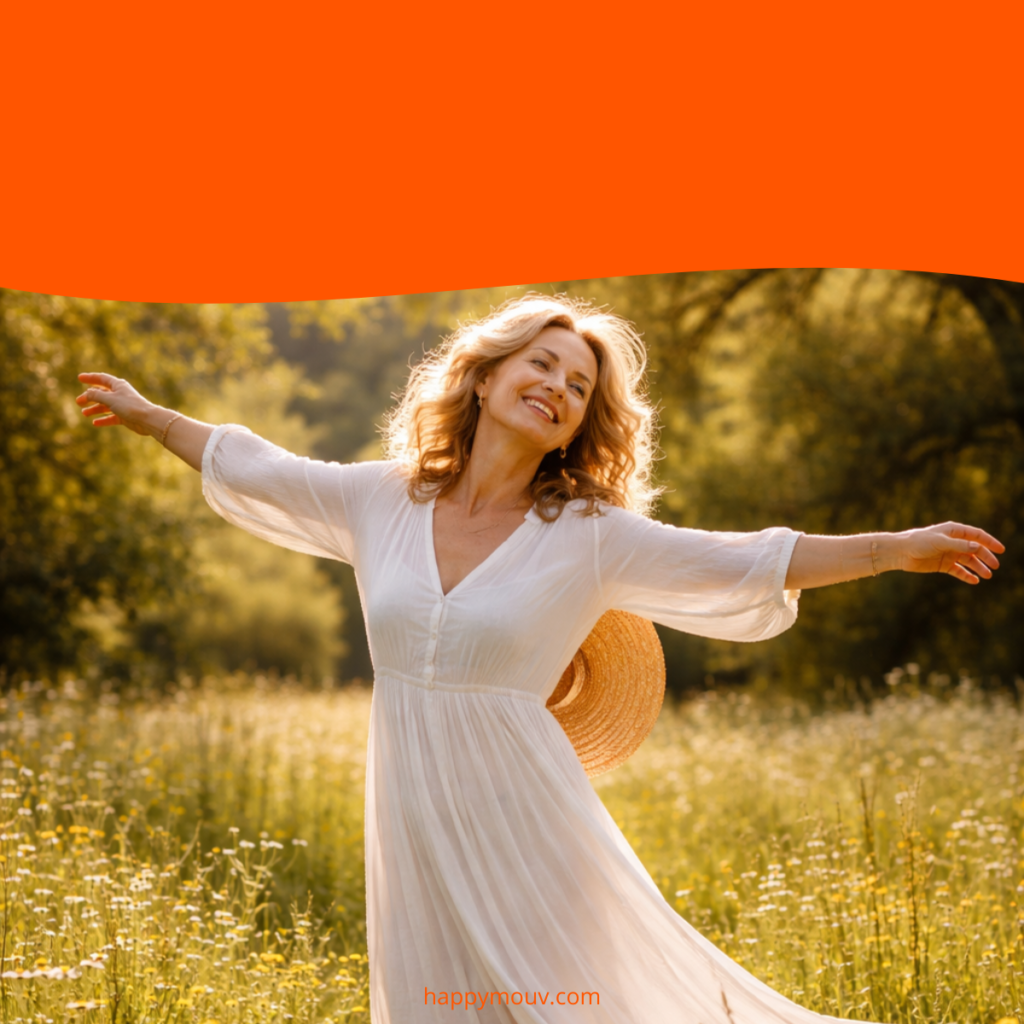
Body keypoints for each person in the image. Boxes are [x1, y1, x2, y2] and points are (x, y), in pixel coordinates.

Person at [77, 294, 1003, 1024]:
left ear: (576, 427)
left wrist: (896, 546)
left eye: (578, 389)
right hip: (414, 821)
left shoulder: (591, 536)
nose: (559, 387)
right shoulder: (380, 501)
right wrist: (152, 417)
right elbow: (259, 466)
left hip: (532, 826)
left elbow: (750, 556)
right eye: (543, 364)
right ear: (483, 379)